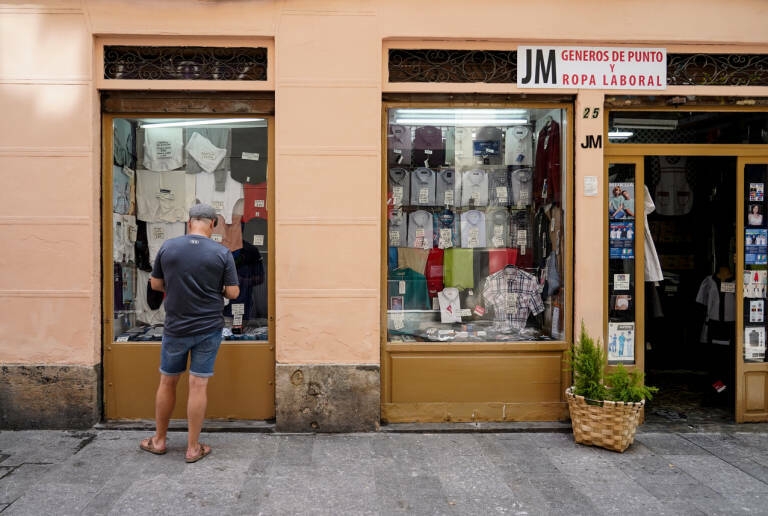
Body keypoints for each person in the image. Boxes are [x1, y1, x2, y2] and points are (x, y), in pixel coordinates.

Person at [140, 203, 240, 463]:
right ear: (213, 224)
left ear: (189, 222)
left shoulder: (169, 247)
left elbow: (156, 284)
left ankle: (159, 440)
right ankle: (193, 447)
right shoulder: (221, 252)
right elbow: (233, 292)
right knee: (198, 384)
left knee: (167, 381)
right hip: (208, 327)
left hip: (176, 326)